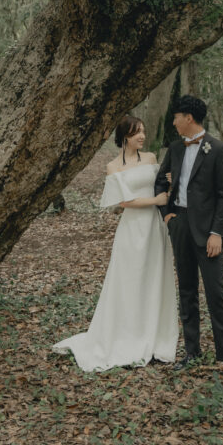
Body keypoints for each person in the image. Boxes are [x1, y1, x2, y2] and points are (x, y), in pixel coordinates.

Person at [53, 115, 178, 372]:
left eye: (143, 131)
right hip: (132, 228)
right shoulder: (113, 167)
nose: (142, 136)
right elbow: (124, 202)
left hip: (155, 228)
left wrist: (168, 191)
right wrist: (156, 202)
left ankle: (153, 334)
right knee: (129, 279)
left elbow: (161, 186)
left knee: (154, 278)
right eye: (136, 133)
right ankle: (126, 335)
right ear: (124, 137)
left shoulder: (152, 158)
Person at [155, 95, 223, 384]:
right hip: (180, 228)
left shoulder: (218, 150)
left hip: (208, 235)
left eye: (176, 116)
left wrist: (217, 233)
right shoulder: (176, 148)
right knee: (187, 292)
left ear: (188, 117)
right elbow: (160, 181)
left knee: (217, 295)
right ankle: (192, 351)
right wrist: (168, 216)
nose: (174, 122)